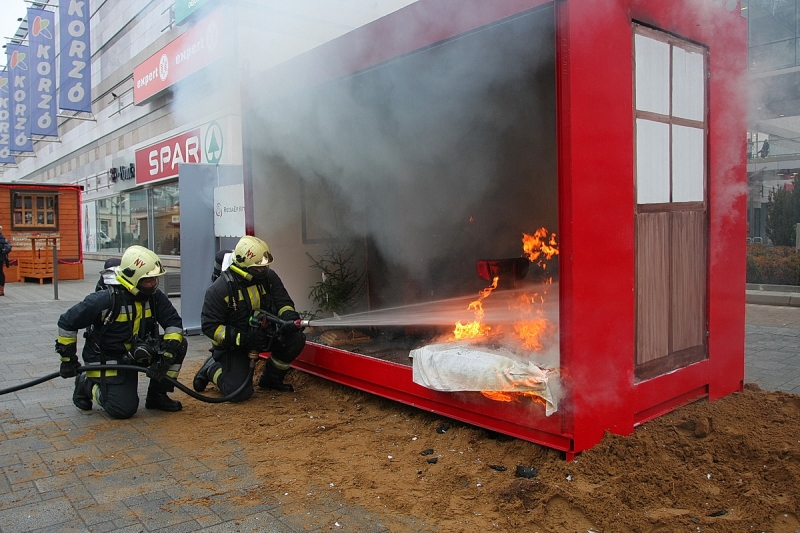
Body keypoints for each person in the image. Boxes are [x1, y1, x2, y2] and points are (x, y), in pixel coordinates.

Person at [55, 245, 187, 418]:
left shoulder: (153, 296)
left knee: (179, 344)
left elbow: (173, 322)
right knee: (123, 409)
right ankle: (86, 384)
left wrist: (166, 356)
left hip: (137, 353)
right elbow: (67, 322)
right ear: (133, 278)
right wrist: (68, 360)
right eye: (148, 280)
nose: (154, 284)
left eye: (155, 279)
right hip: (108, 359)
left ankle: (157, 395)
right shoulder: (105, 299)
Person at [193, 236, 306, 401]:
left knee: (295, 338)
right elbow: (210, 327)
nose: (264, 269)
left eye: (265, 265)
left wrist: (289, 317)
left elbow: (283, 303)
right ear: (244, 264)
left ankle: (271, 379)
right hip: (234, 346)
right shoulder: (220, 290)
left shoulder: (269, 277)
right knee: (239, 393)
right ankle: (211, 369)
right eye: (258, 266)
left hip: (264, 335)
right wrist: (244, 339)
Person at [0, 226, 10, 297]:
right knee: (0, 272)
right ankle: (1, 290)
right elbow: (9, 246)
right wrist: (3, 252)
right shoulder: (3, 238)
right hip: (1, 258)